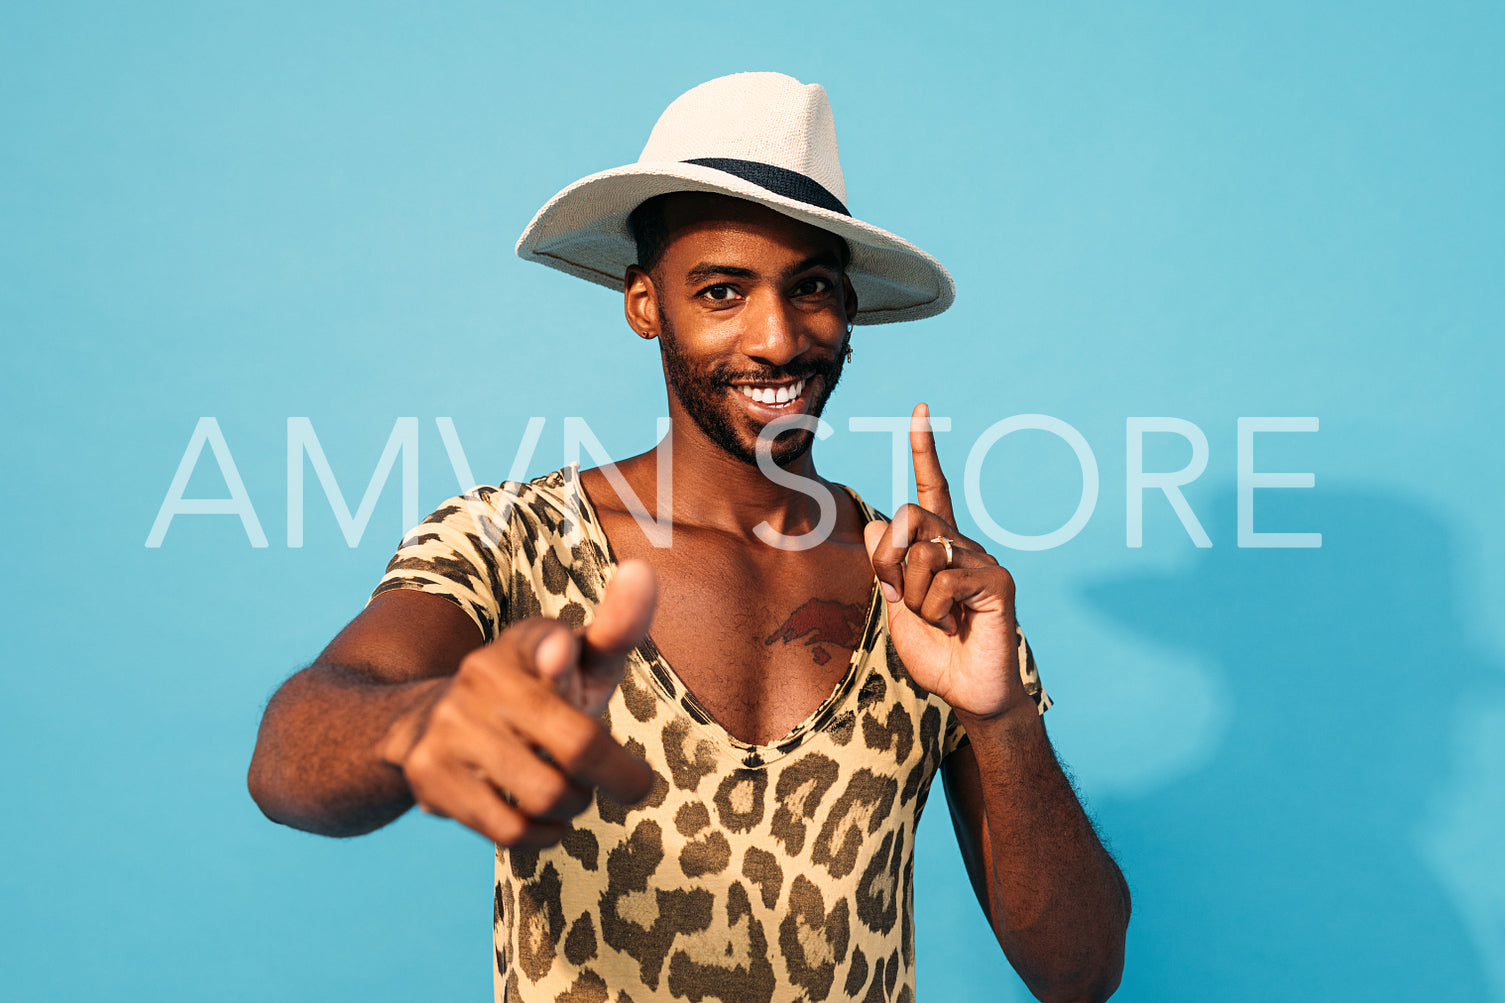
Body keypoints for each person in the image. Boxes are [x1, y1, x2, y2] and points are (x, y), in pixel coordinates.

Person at [248, 72, 1129, 1003]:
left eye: (811, 288)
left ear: (849, 308)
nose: (778, 338)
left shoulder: (923, 588)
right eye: (720, 291)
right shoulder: (513, 540)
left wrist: (998, 715)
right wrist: (421, 724)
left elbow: (1080, 974)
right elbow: (288, 755)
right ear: (643, 304)